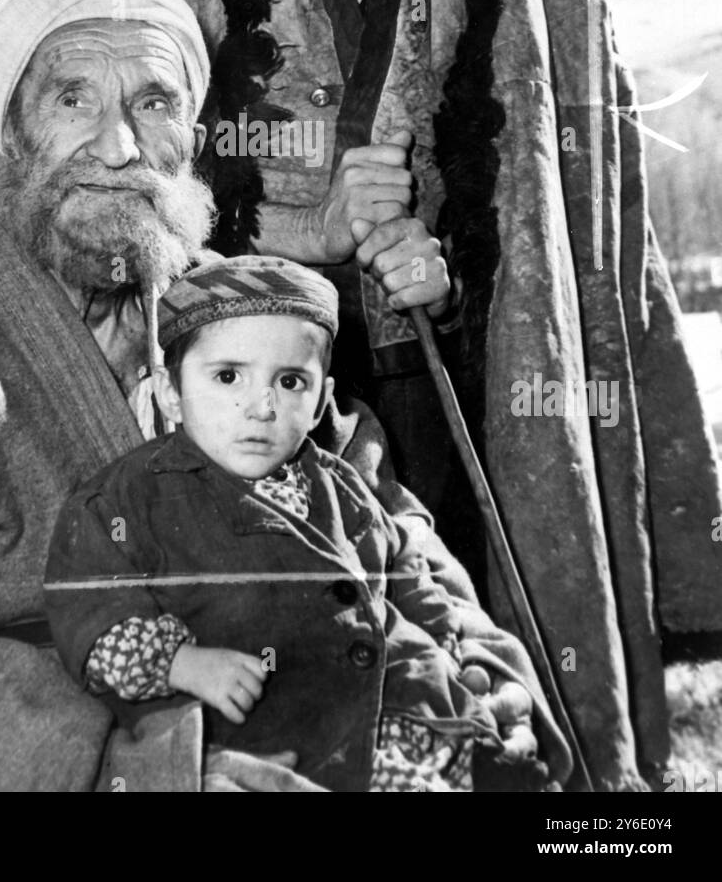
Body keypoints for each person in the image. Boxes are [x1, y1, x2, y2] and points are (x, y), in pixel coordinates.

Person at [0, 0, 722, 790]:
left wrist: (448, 274)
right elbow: (60, 169)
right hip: (234, 405)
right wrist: (304, 237)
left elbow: (591, 249)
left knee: (452, 673)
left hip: (450, 398)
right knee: (287, 702)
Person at [0, 0, 555, 792]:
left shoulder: (245, 309)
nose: (118, 145)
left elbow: (387, 527)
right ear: (14, 137)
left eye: (154, 103)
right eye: (72, 100)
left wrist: (482, 669)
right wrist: (143, 773)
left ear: (193, 143)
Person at [45, 255, 568, 792]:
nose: (262, 406)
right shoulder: (129, 498)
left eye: (291, 381)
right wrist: (180, 662)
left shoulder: (340, 483)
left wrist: (447, 644)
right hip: (282, 734)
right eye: (228, 376)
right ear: (171, 393)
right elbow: (90, 606)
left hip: (408, 707)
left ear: (320, 403)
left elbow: (405, 566)